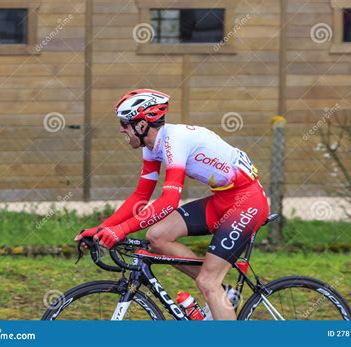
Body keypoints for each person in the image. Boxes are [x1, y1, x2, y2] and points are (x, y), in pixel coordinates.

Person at [75, 89, 269, 320]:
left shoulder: (174, 140)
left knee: (208, 282)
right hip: (223, 200)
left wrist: (121, 230)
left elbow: (169, 201)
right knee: (157, 236)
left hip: (247, 202)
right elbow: (140, 196)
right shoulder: (152, 146)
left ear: (141, 125)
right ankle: (222, 293)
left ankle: (215, 288)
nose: (121, 129)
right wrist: (103, 228)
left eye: (125, 124)